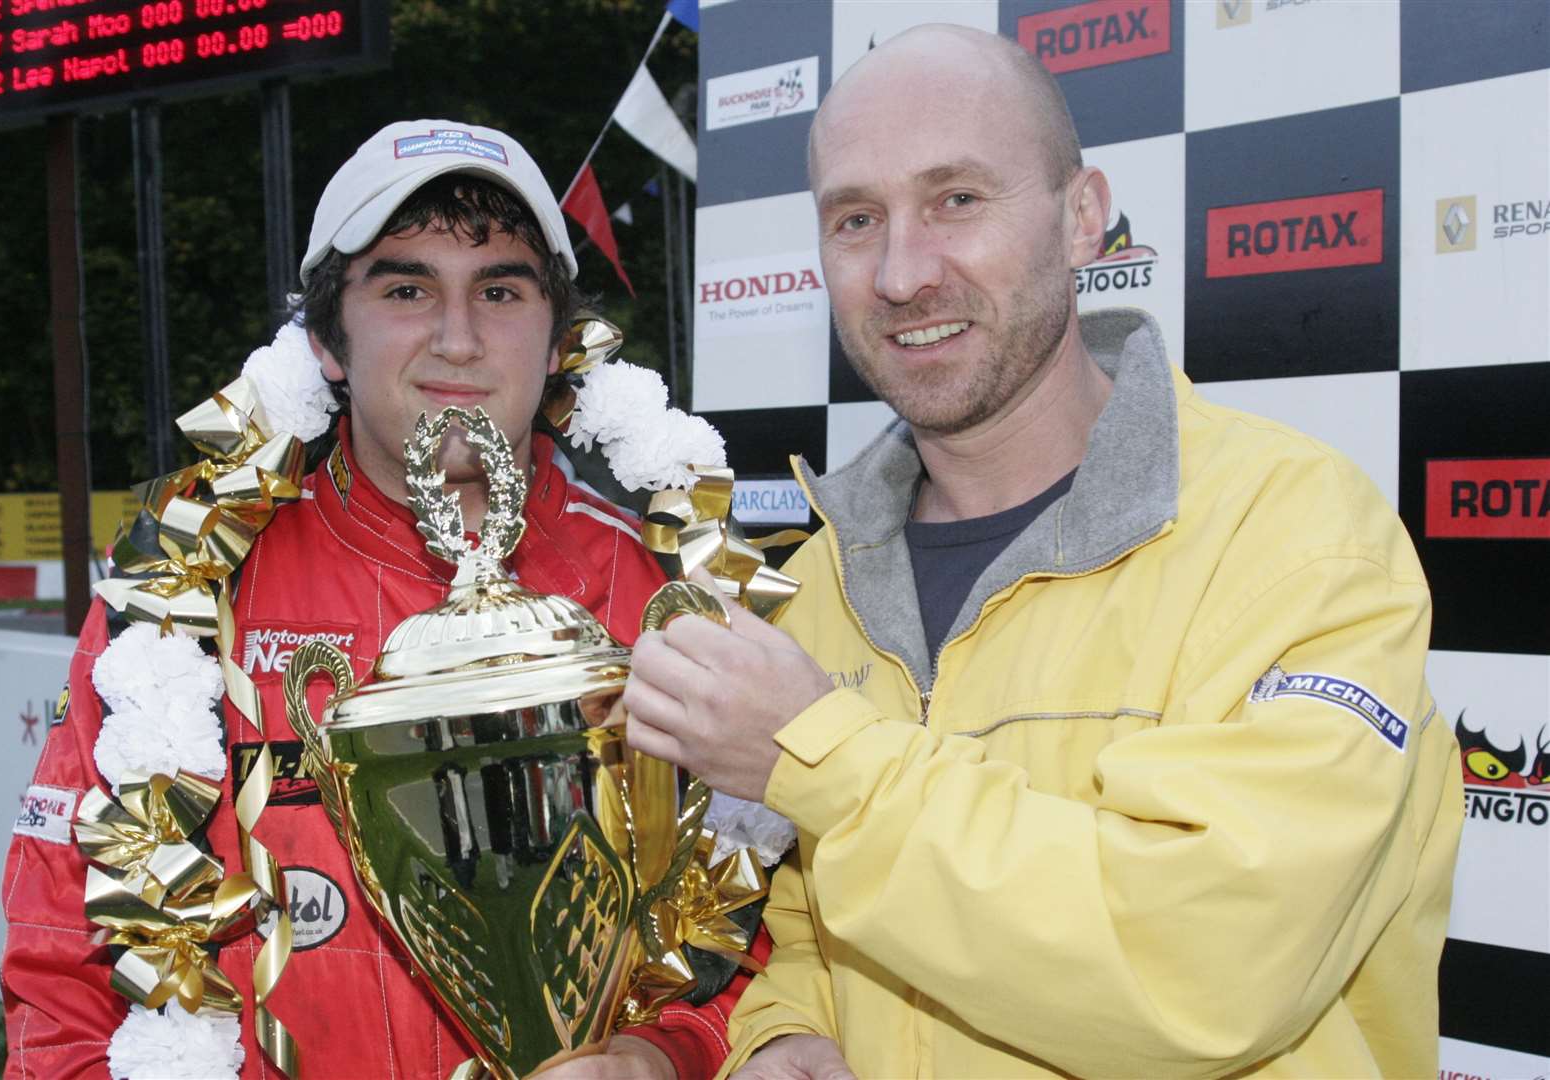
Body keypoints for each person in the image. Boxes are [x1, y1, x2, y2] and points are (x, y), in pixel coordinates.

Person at [623, 24, 1464, 1080]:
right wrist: (790, 1029)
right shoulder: (825, 583)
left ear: (1081, 220)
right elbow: (812, 926)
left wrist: (823, 755)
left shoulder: (1295, 537)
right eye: (855, 219)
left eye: (957, 201)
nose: (900, 272)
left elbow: (1207, 968)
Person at [1, 118, 751, 1080]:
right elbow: (61, 959)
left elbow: (757, 923)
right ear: (326, 341)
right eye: (406, 289)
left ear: (560, 338)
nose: (458, 337)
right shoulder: (182, 601)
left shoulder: (665, 596)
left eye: (501, 289)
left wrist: (663, 1056)